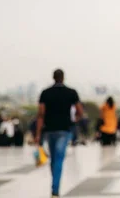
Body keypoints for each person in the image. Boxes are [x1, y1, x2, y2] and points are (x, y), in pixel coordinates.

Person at [35, 69, 83, 198]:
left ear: (53, 77)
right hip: (64, 129)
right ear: (63, 78)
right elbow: (80, 112)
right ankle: (55, 190)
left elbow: (40, 114)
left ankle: (54, 187)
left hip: (49, 129)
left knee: (54, 159)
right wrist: (73, 121)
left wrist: (38, 134)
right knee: (59, 159)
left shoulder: (45, 93)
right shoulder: (71, 93)